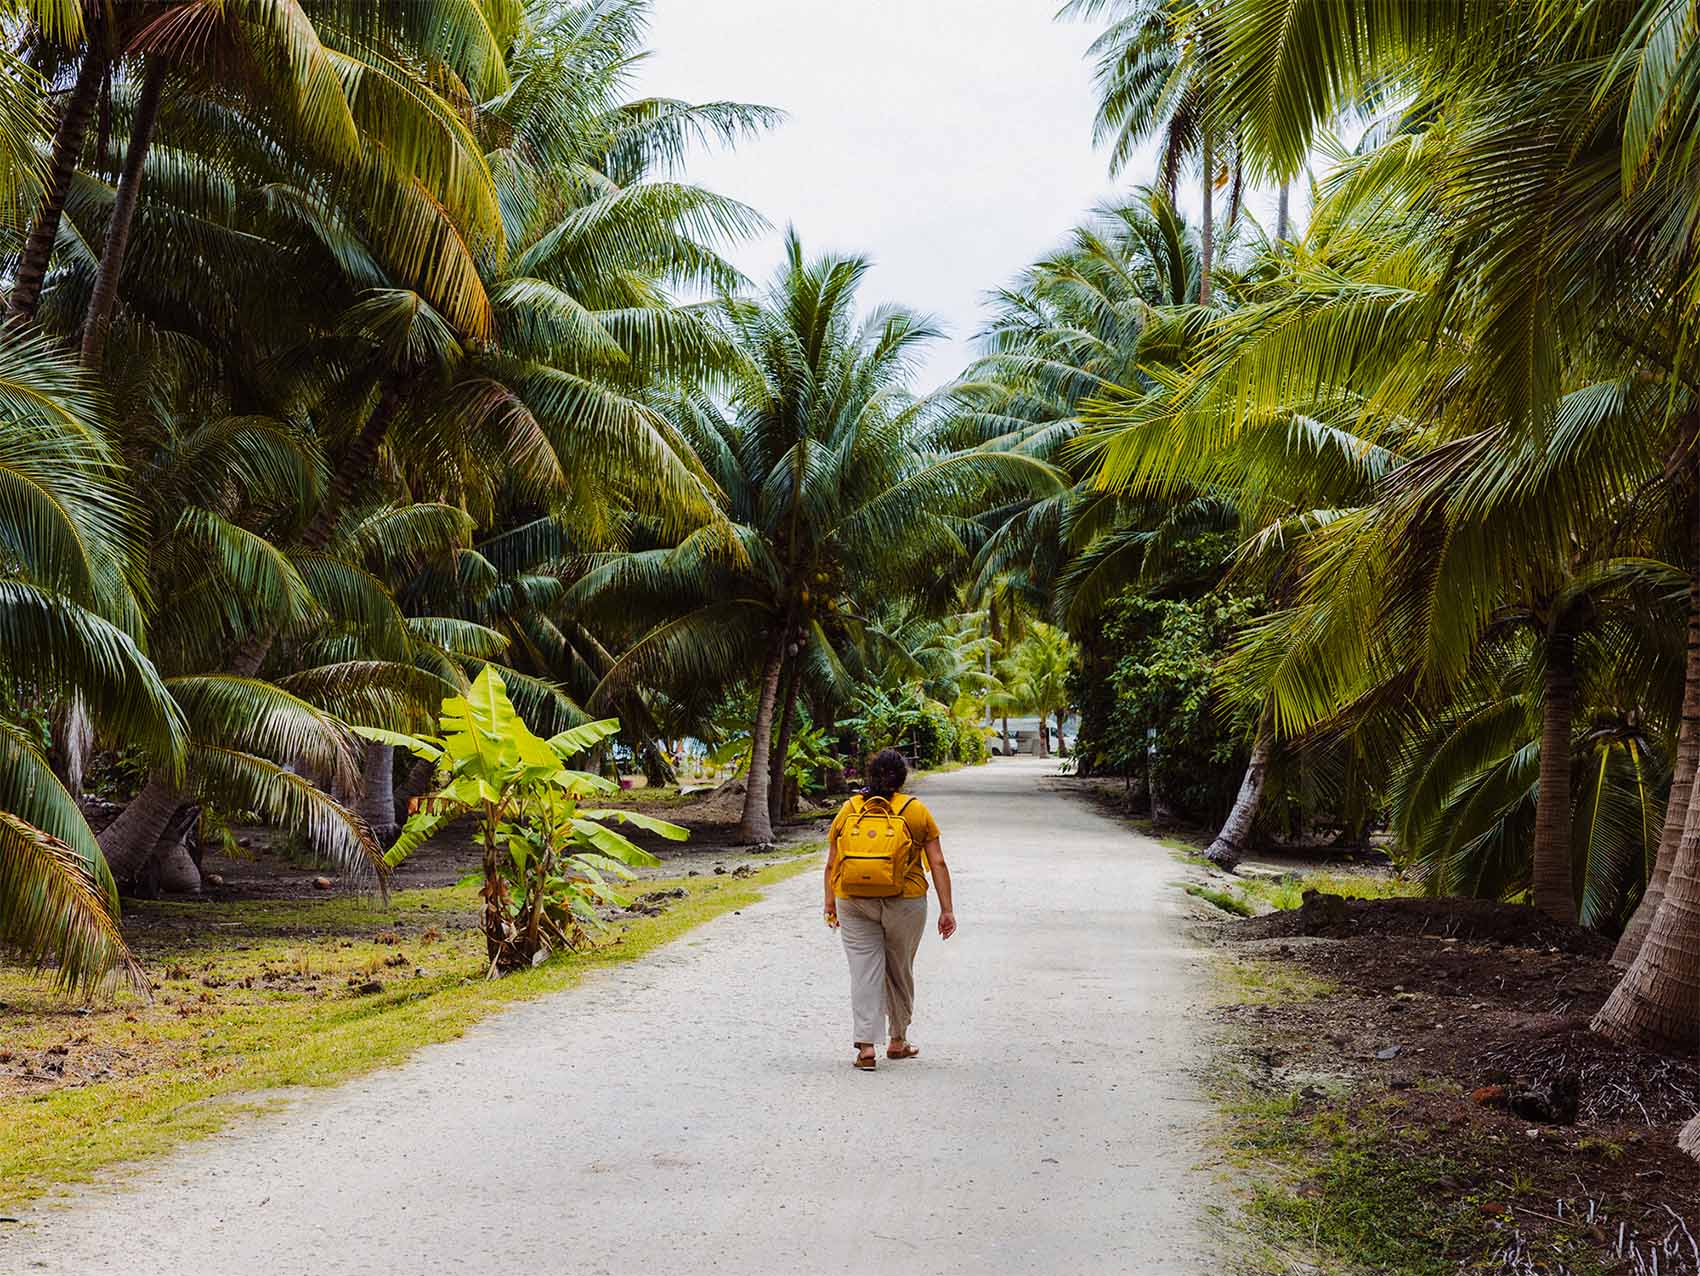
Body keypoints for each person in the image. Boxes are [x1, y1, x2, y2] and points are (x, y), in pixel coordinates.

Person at [823, 748, 956, 1071]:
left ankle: (866, 1048)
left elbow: (832, 863)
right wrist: (947, 909)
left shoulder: (850, 809)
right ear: (902, 778)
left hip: (852, 899)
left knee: (864, 971)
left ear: (869, 775)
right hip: (906, 900)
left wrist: (830, 902)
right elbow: (936, 861)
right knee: (899, 968)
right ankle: (898, 1041)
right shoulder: (915, 811)